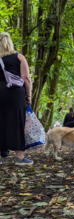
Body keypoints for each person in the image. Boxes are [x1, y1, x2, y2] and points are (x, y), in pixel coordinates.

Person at [0, 33, 33, 165]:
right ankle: (19, 157)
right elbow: (26, 78)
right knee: (17, 121)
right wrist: (29, 96)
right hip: (14, 92)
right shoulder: (18, 57)